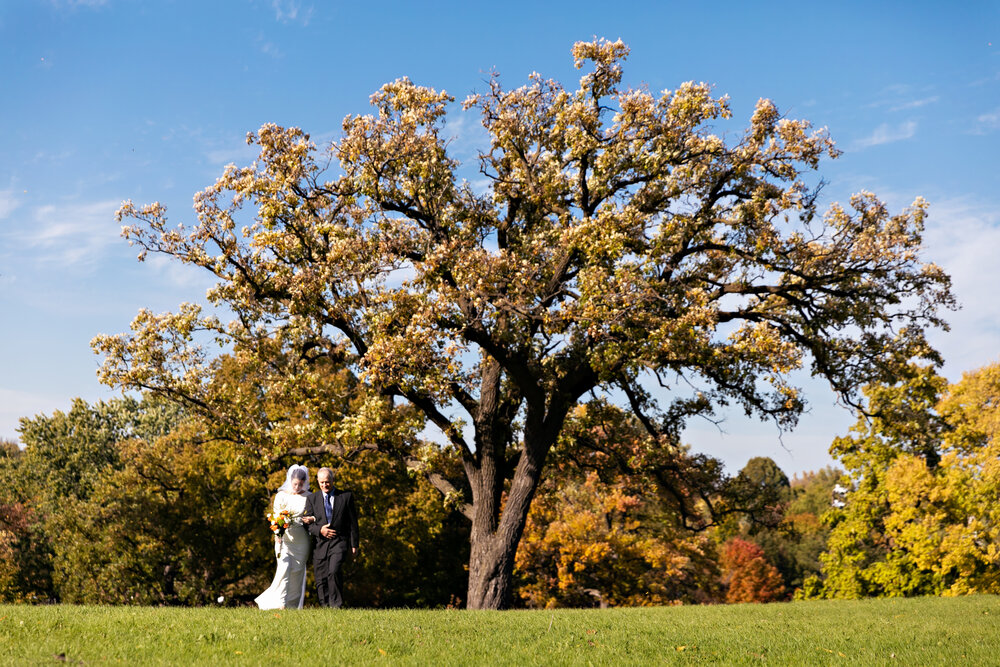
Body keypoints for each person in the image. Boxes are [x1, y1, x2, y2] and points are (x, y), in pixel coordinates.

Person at [254, 464, 316, 610]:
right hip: (284, 538)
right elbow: (276, 517)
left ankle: (292, 606)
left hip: (301, 539)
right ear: (290, 481)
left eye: (300, 484)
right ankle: (280, 603)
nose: (297, 487)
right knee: (284, 567)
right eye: (295, 484)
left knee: (297, 572)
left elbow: (315, 514)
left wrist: (311, 519)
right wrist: (278, 534)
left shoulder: (309, 497)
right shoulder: (281, 496)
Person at [304, 467, 359, 608]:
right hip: (320, 544)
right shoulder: (312, 499)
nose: (324, 485)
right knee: (321, 578)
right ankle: (325, 606)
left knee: (334, 571)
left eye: (327, 482)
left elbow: (353, 522)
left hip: (339, 541)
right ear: (317, 481)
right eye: (321, 482)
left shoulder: (345, 497)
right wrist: (319, 530)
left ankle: (337, 605)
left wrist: (354, 544)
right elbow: (307, 524)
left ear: (333, 480)